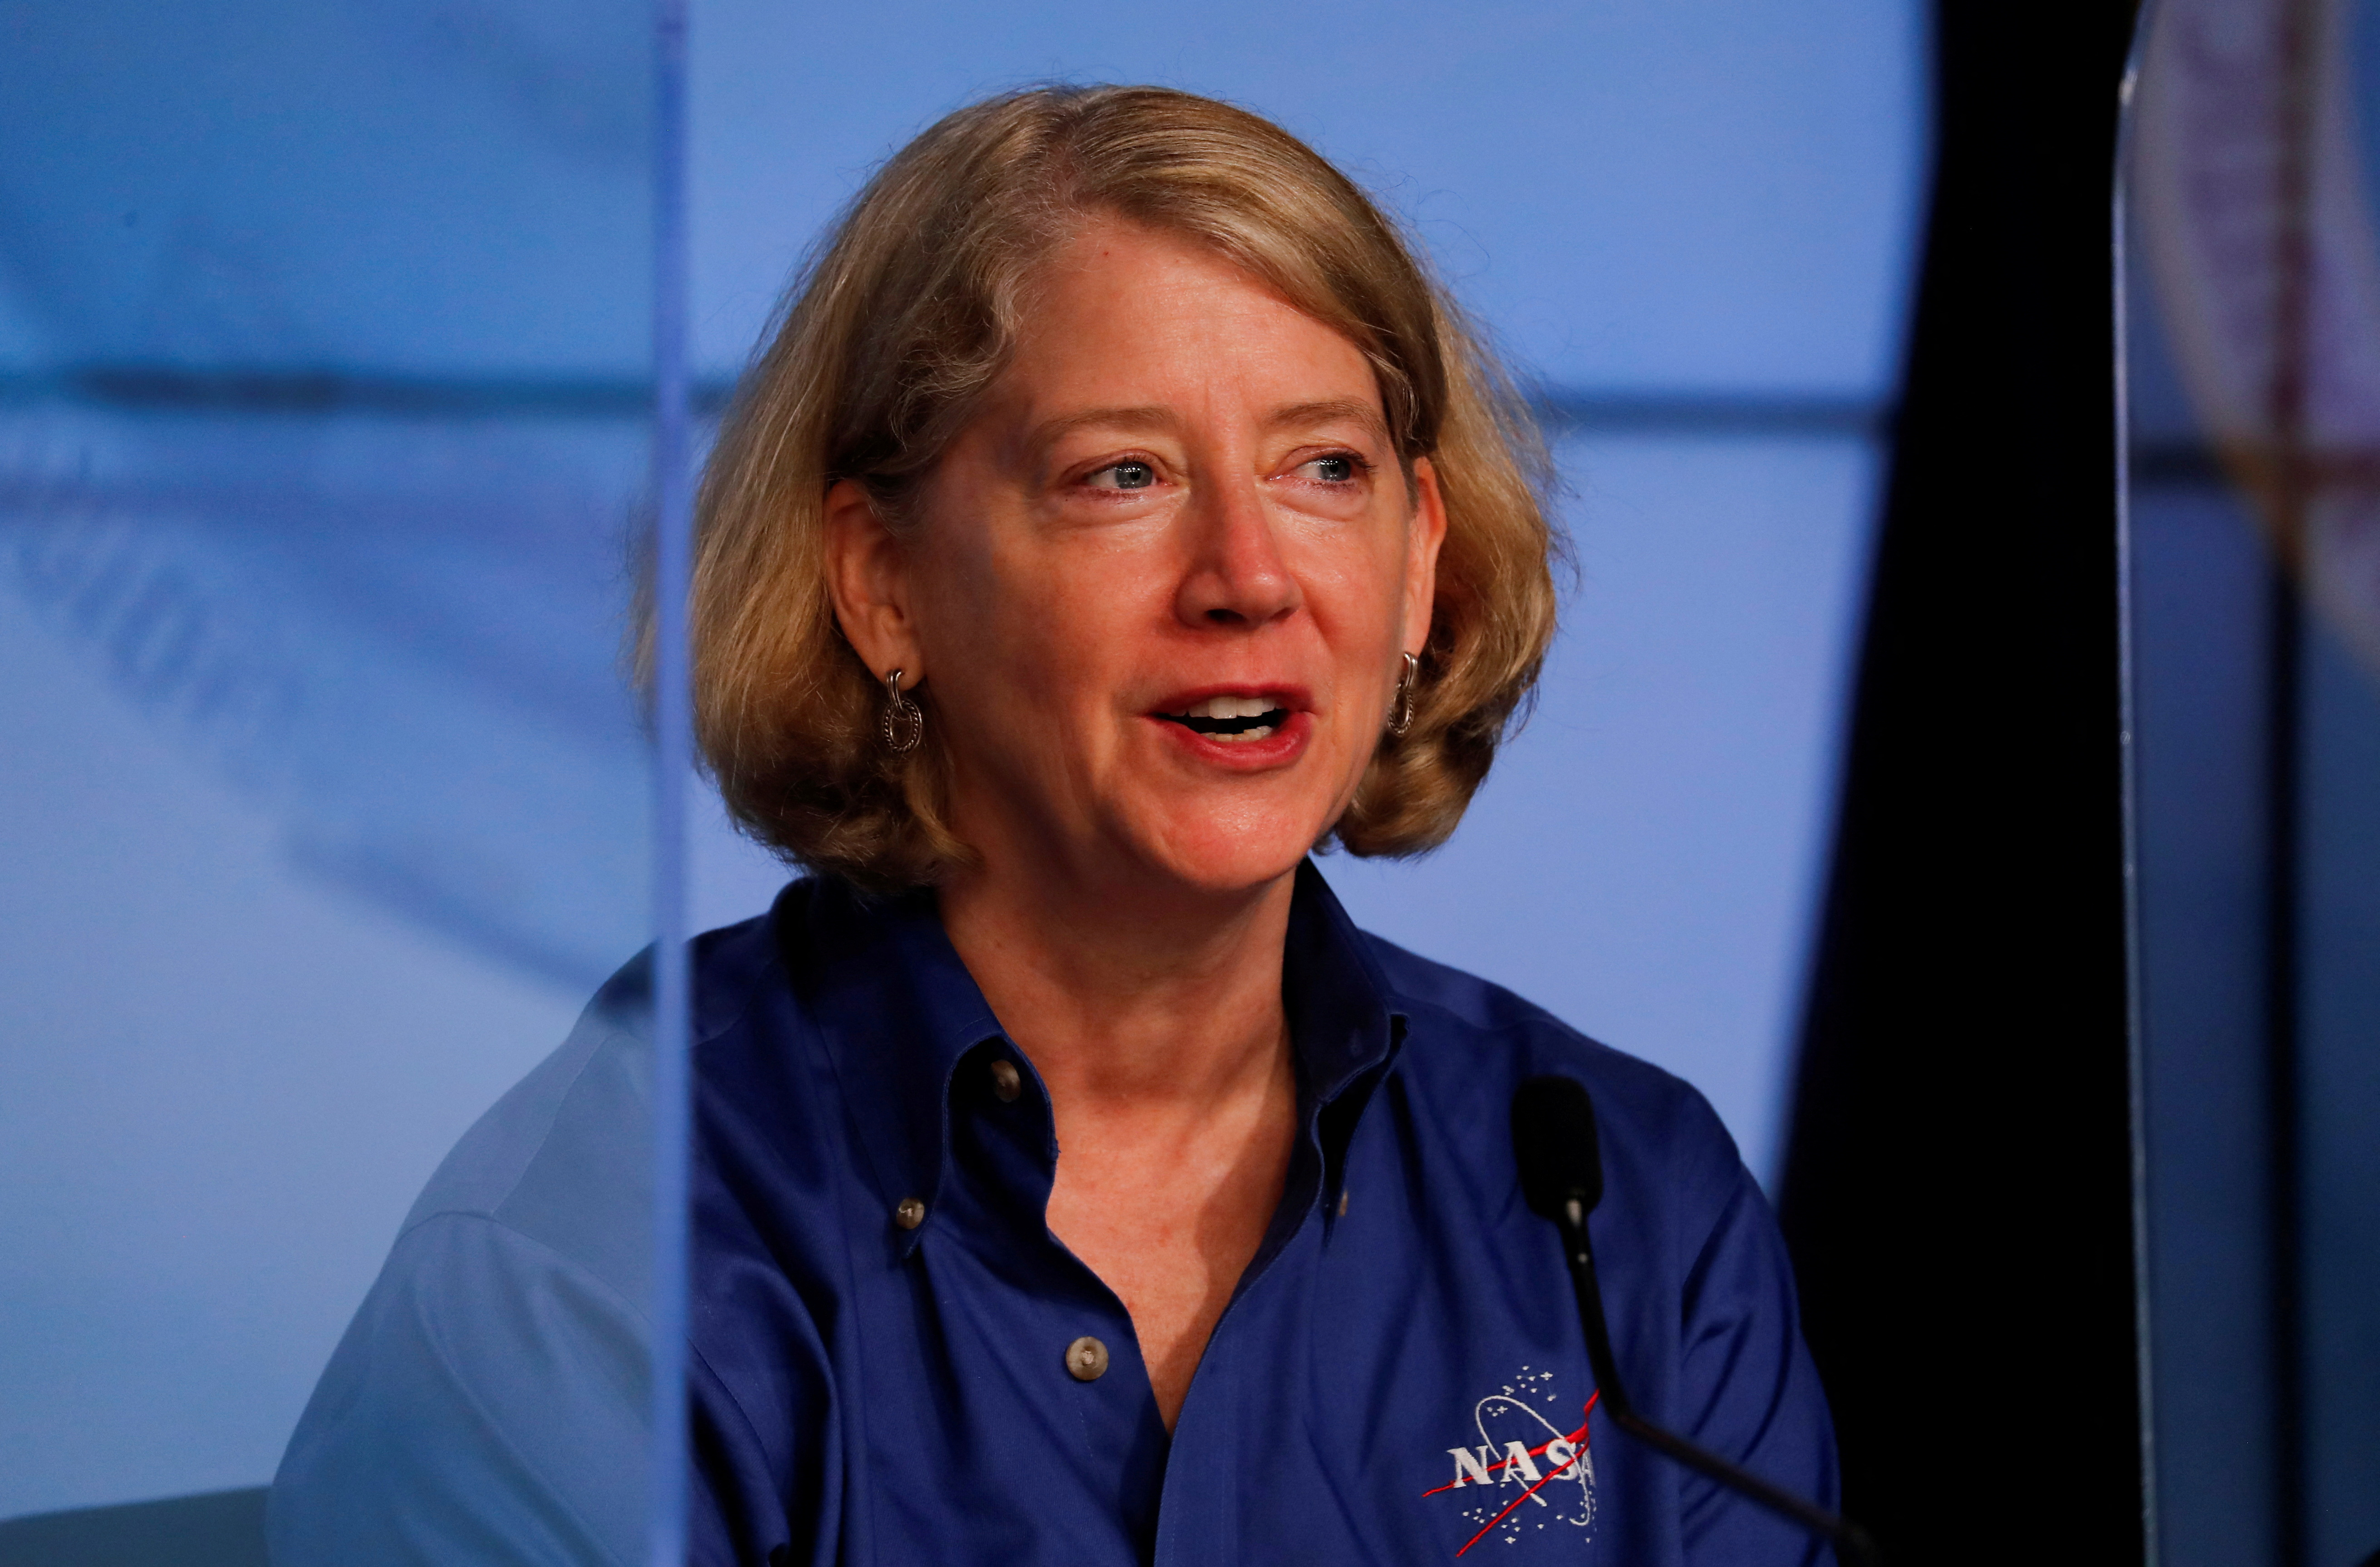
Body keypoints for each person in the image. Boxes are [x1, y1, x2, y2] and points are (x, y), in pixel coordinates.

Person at [271, 84, 1838, 1566]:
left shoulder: (1623, 1199)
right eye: (1122, 474)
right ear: (883, 585)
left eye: (1324, 467)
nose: (1249, 573)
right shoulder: (594, 1256)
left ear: (1420, 560)